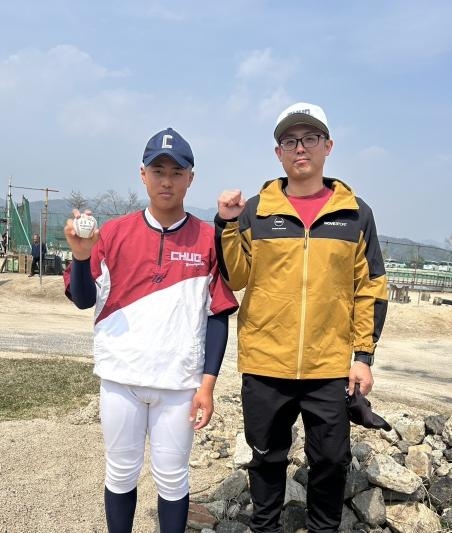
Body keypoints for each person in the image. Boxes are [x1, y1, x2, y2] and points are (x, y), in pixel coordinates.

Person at [214, 102, 388, 533]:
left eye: (310, 138)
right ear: (278, 153)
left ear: (328, 146)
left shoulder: (355, 213)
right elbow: (236, 277)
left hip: (328, 365)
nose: (300, 148)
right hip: (265, 362)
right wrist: (227, 224)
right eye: (290, 141)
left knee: (330, 459)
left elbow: (370, 287)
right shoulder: (257, 210)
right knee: (266, 457)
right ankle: (266, 527)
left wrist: (363, 356)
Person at [63, 127, 238, 533]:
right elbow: (84, 298)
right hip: (121, 378)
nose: (166, 181)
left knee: (173, 479)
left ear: (191, 178)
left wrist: (207, 385)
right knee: (121, 472)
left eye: (177, 172)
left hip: (178, 384)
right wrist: (81, 257)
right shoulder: (113, 233)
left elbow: (217, 314)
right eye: (158, 171)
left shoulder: (208, 238)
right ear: (142, 174)